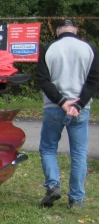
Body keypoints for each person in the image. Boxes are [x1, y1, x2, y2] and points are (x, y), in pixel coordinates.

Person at [36, 18, 98, 210]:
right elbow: (94, 81)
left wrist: (62, 102)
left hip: (54, 107)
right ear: (76, 30)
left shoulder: (48, 49)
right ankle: (76, 198)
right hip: (80, 108)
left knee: (48, 148)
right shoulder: (89, 49)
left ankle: (53, 184)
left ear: (58, 32)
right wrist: (78, 104)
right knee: (79, 153)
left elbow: (43, 80)